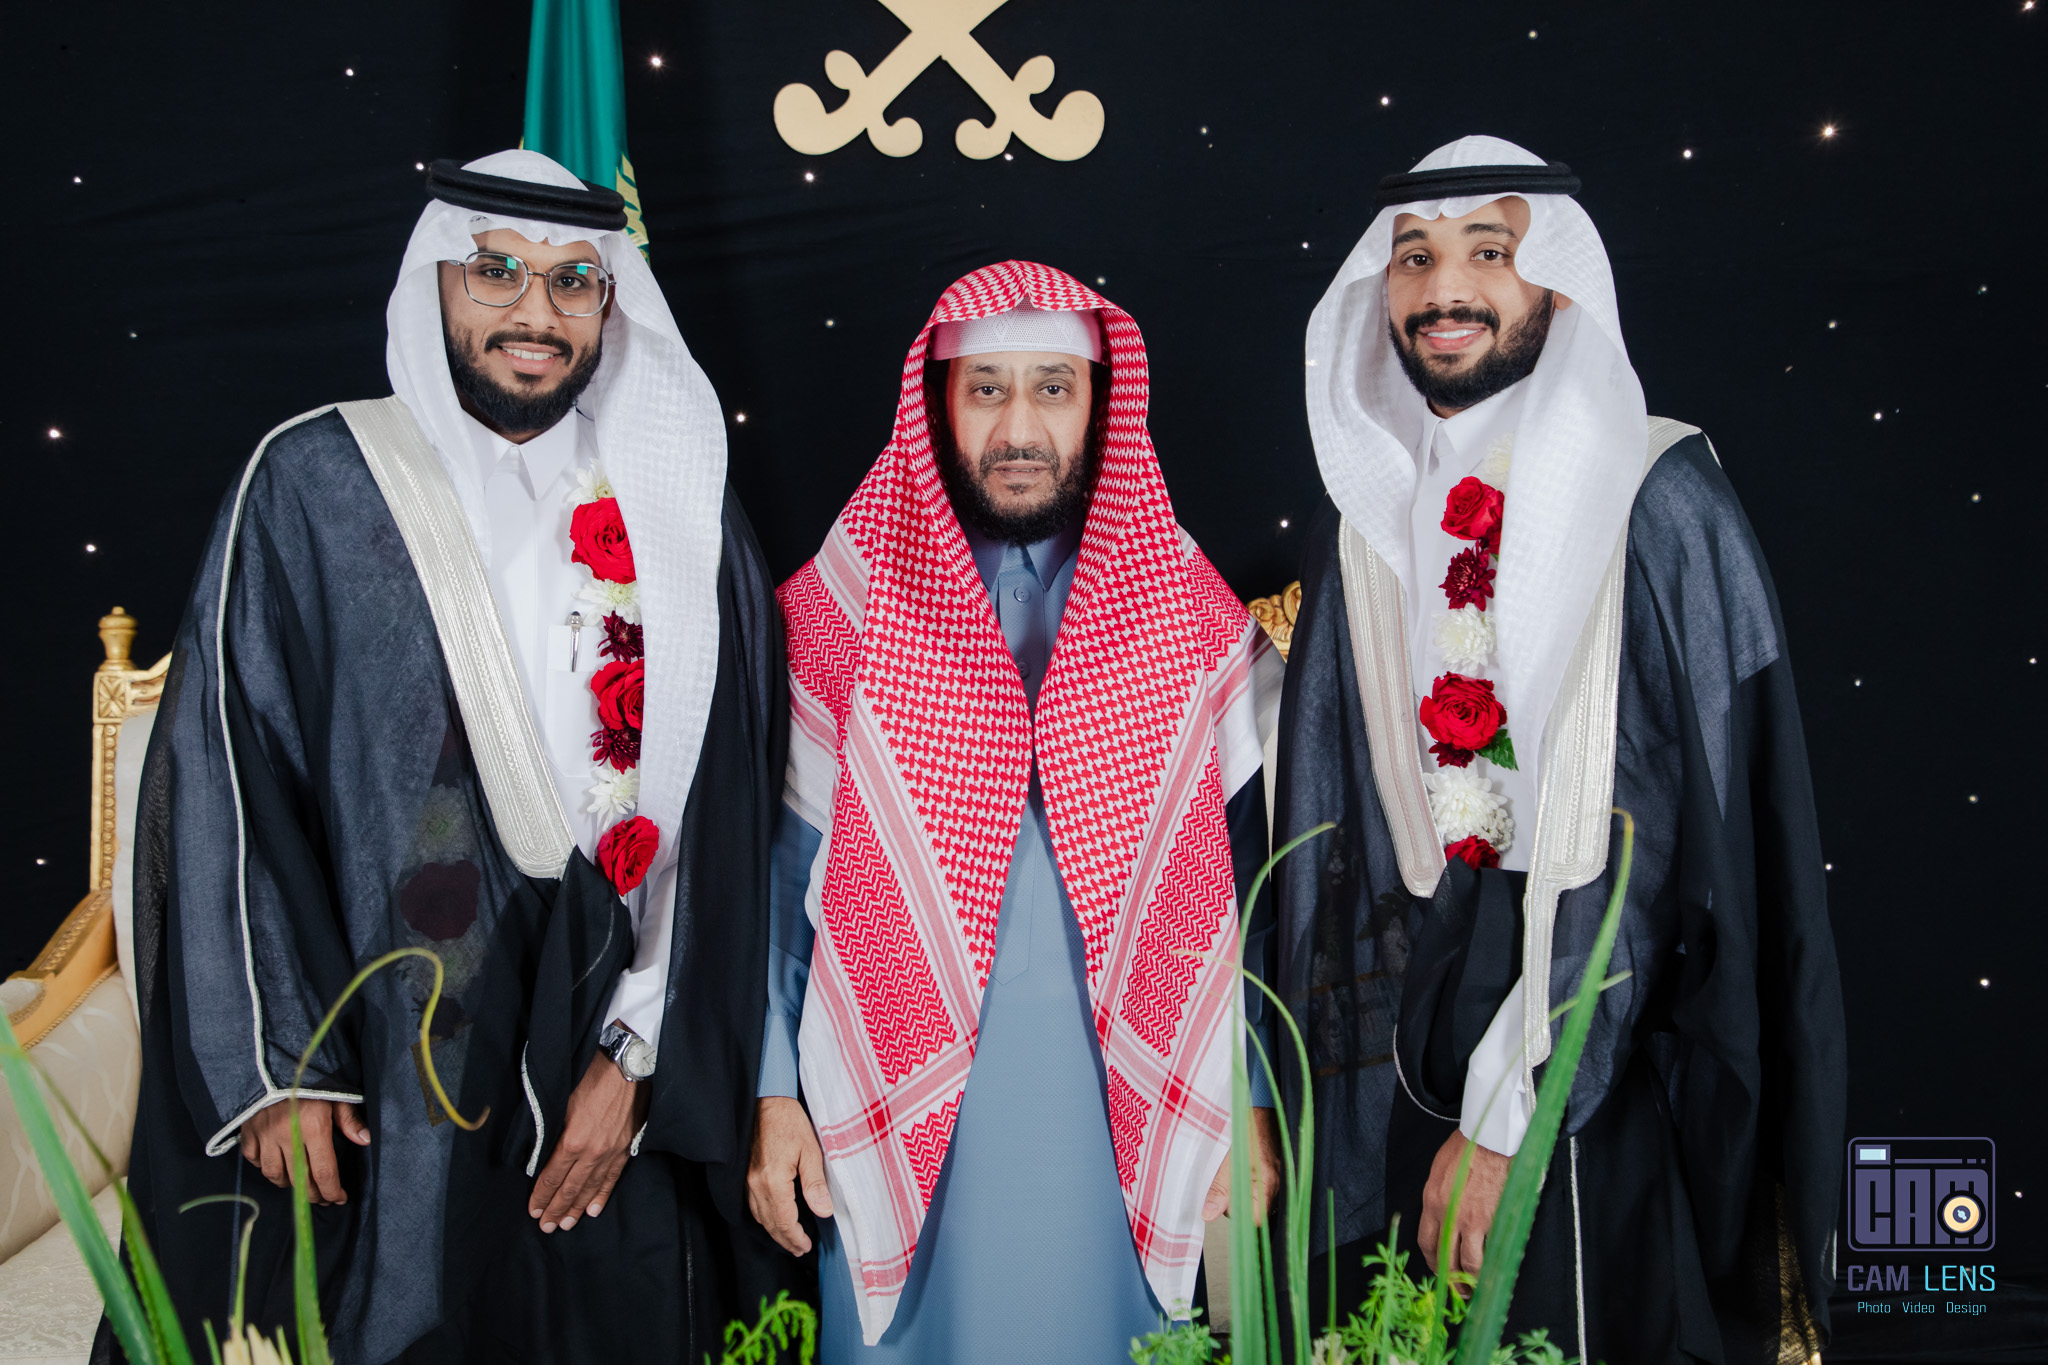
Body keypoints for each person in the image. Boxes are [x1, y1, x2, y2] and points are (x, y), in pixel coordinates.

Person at [113, 151, 786, 1365]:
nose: (536, 312)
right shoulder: (315, 483)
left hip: (600, 1049)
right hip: (376, 1063)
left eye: (572, 281)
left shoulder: (676, 506)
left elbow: (723, 812)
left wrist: (638, 1052)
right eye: (496, 272)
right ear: (434, 280)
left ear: (608, 302)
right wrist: (281, 1064)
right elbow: (228, 775)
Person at [1274, 136, 1847, 1365]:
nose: (1444, 290)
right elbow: (1337, 817)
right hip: (1413, 1030)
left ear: (1562, 287)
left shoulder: (1655, 494)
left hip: (1600, 1039)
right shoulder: (1365, 518)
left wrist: (1510, 1114)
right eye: (1414, 258)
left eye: (1490, 252)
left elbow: (1654, 836)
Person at [747, 261, 1282, 1362]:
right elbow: (771, 885)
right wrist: (769, 1095)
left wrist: (1258, 1109)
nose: (1020, 428)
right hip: (885, 1107)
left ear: (1100, 403)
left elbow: (1264, 888)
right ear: (938, 405)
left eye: (1053, 388)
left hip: (1131, 1115)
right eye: (986, 389)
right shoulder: (841, 606)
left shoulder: (1186, 609)